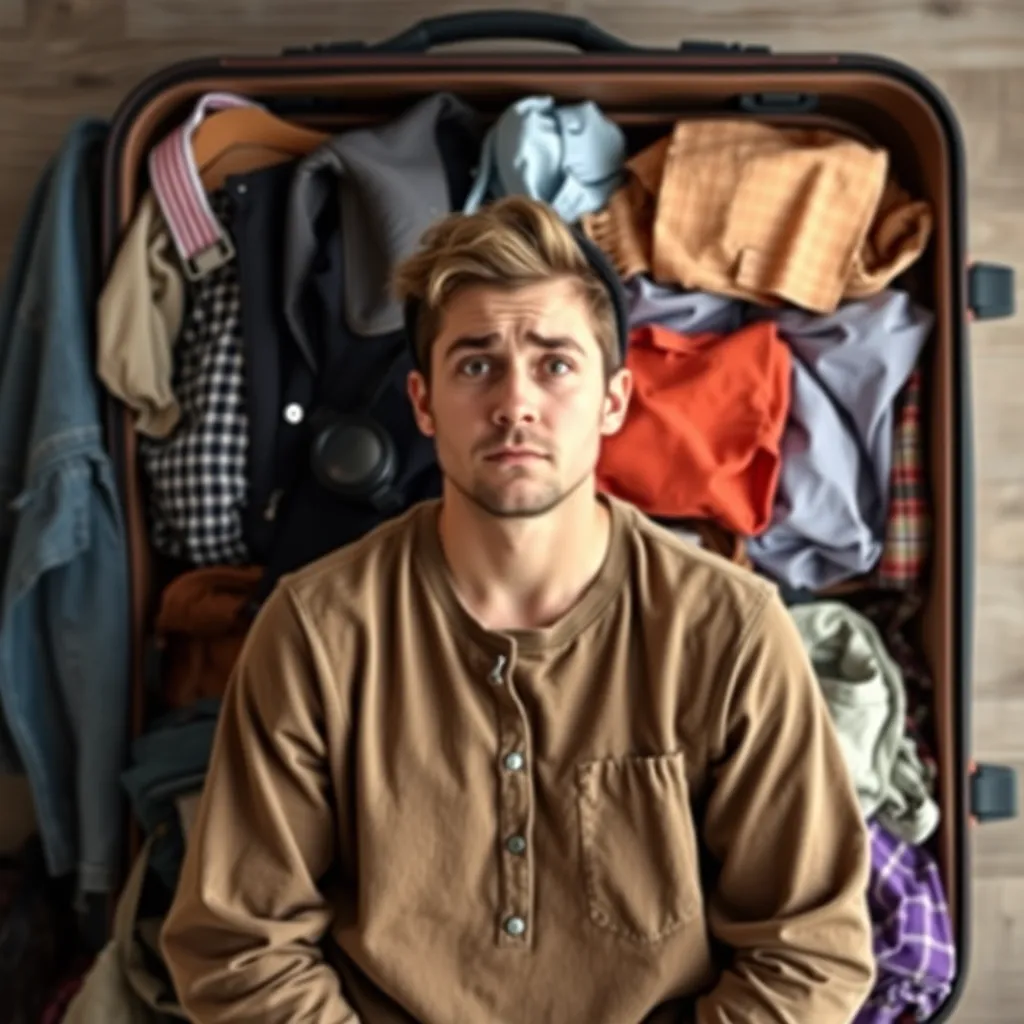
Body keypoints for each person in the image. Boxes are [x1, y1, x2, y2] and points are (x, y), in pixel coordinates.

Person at [160, 195, 875, 1023]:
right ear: (424, 406)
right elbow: (239, 949)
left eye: (555, 363)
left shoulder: (731, 630)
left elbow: (809, 953)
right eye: (475, 364)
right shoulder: (319, 630)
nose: (514, 402)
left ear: (614, 401)